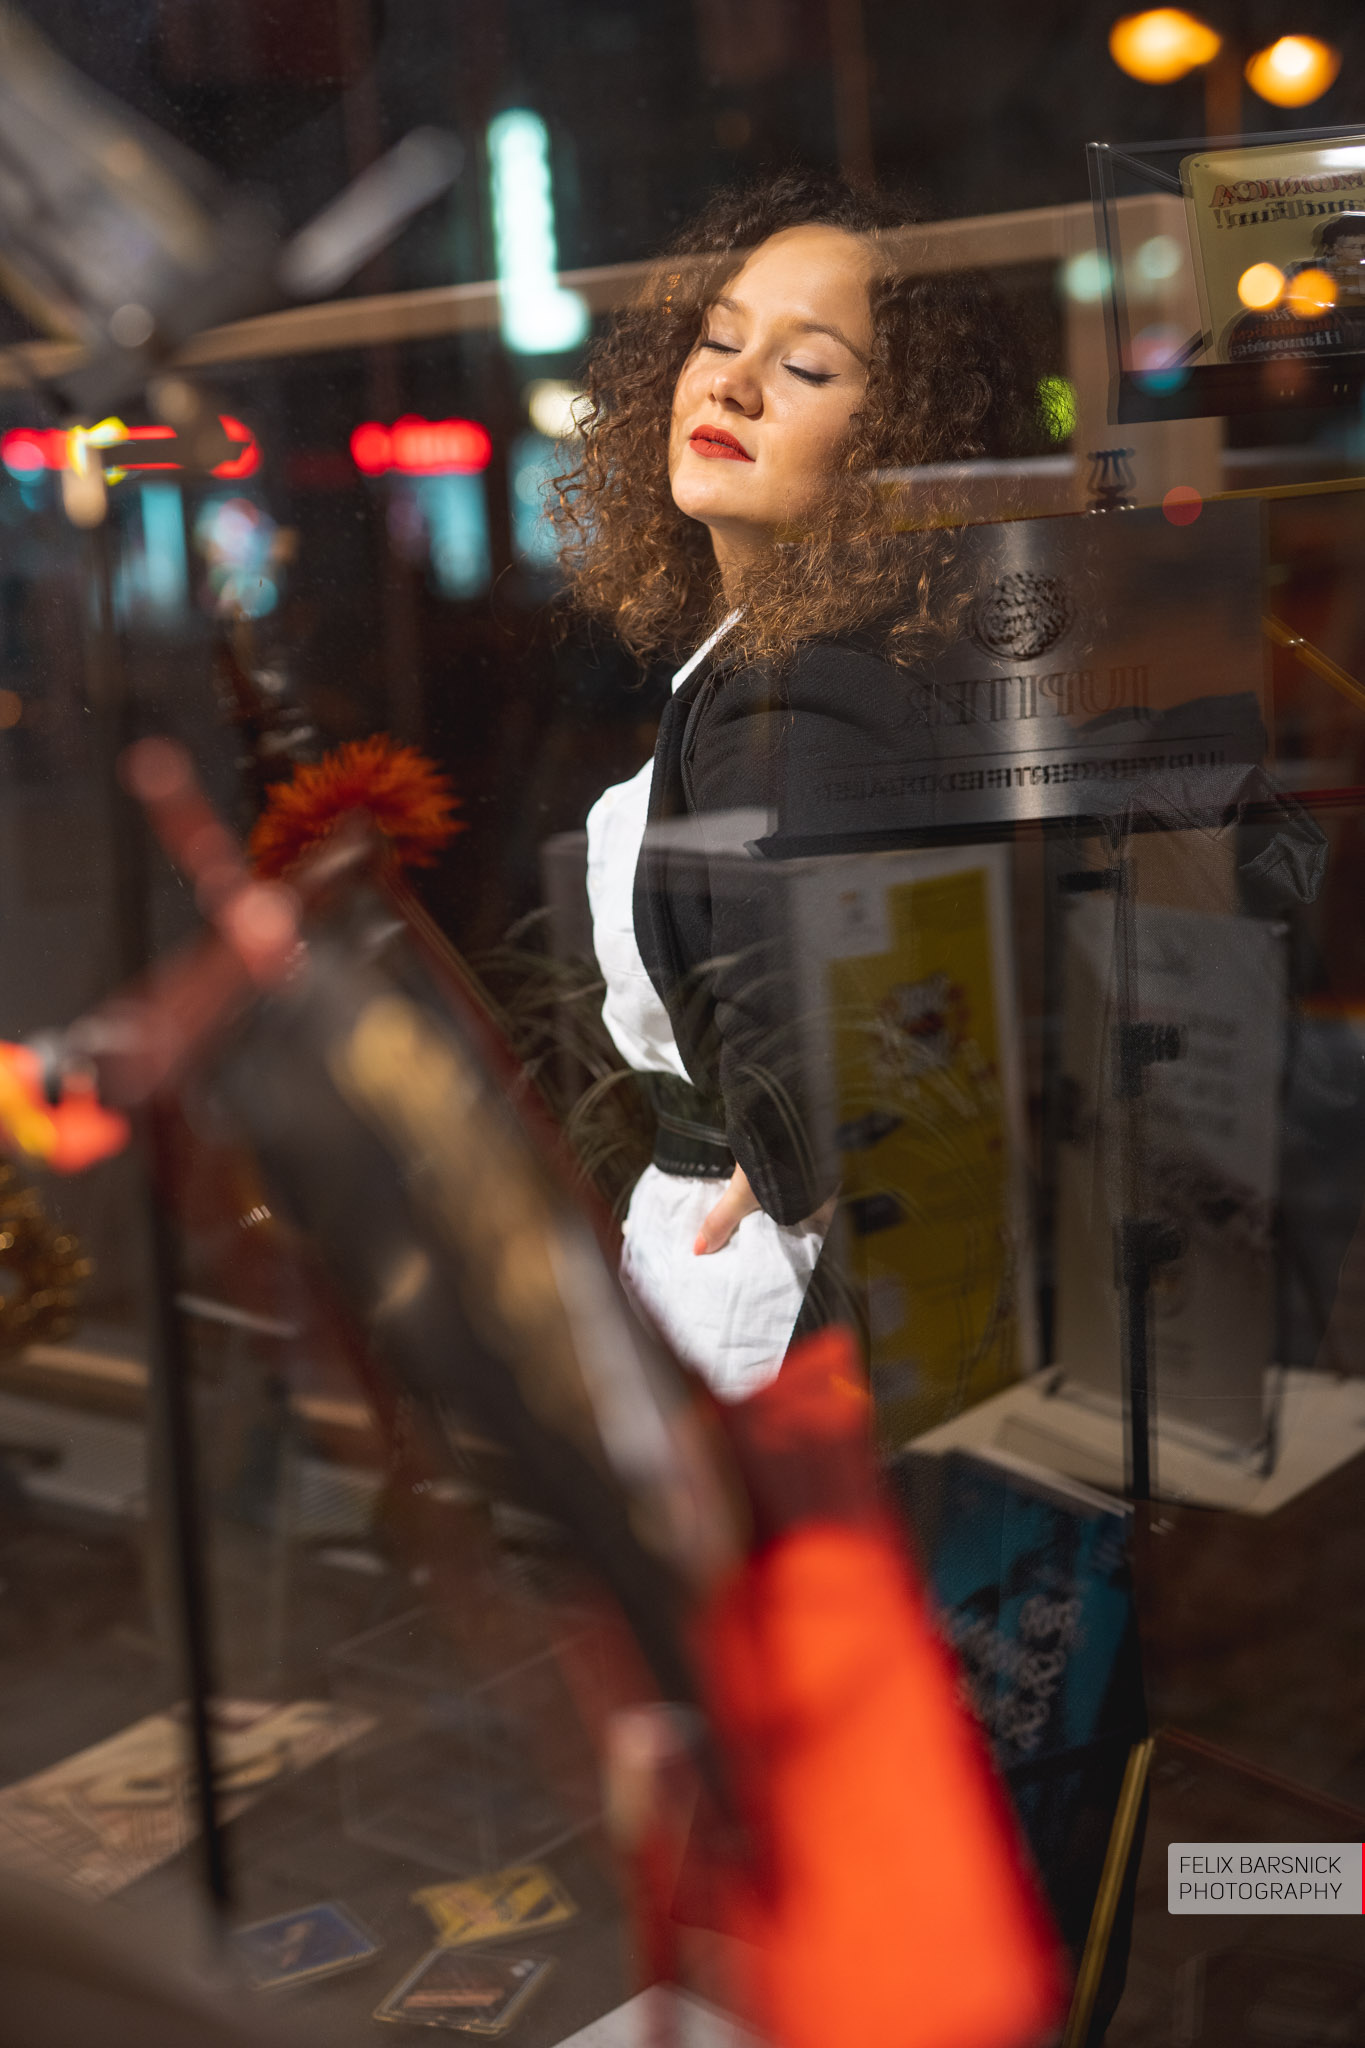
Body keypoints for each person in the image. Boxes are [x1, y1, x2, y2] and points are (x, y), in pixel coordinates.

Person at [555, 171, 1023, 1399]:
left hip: (767, 1307)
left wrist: (779, 1143)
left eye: (808, 367)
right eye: (718, 341)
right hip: (739, 1276)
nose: (732, 384)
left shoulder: (803, 698)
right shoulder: (791, 664)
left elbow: (831, 1092)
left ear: (901, 444)